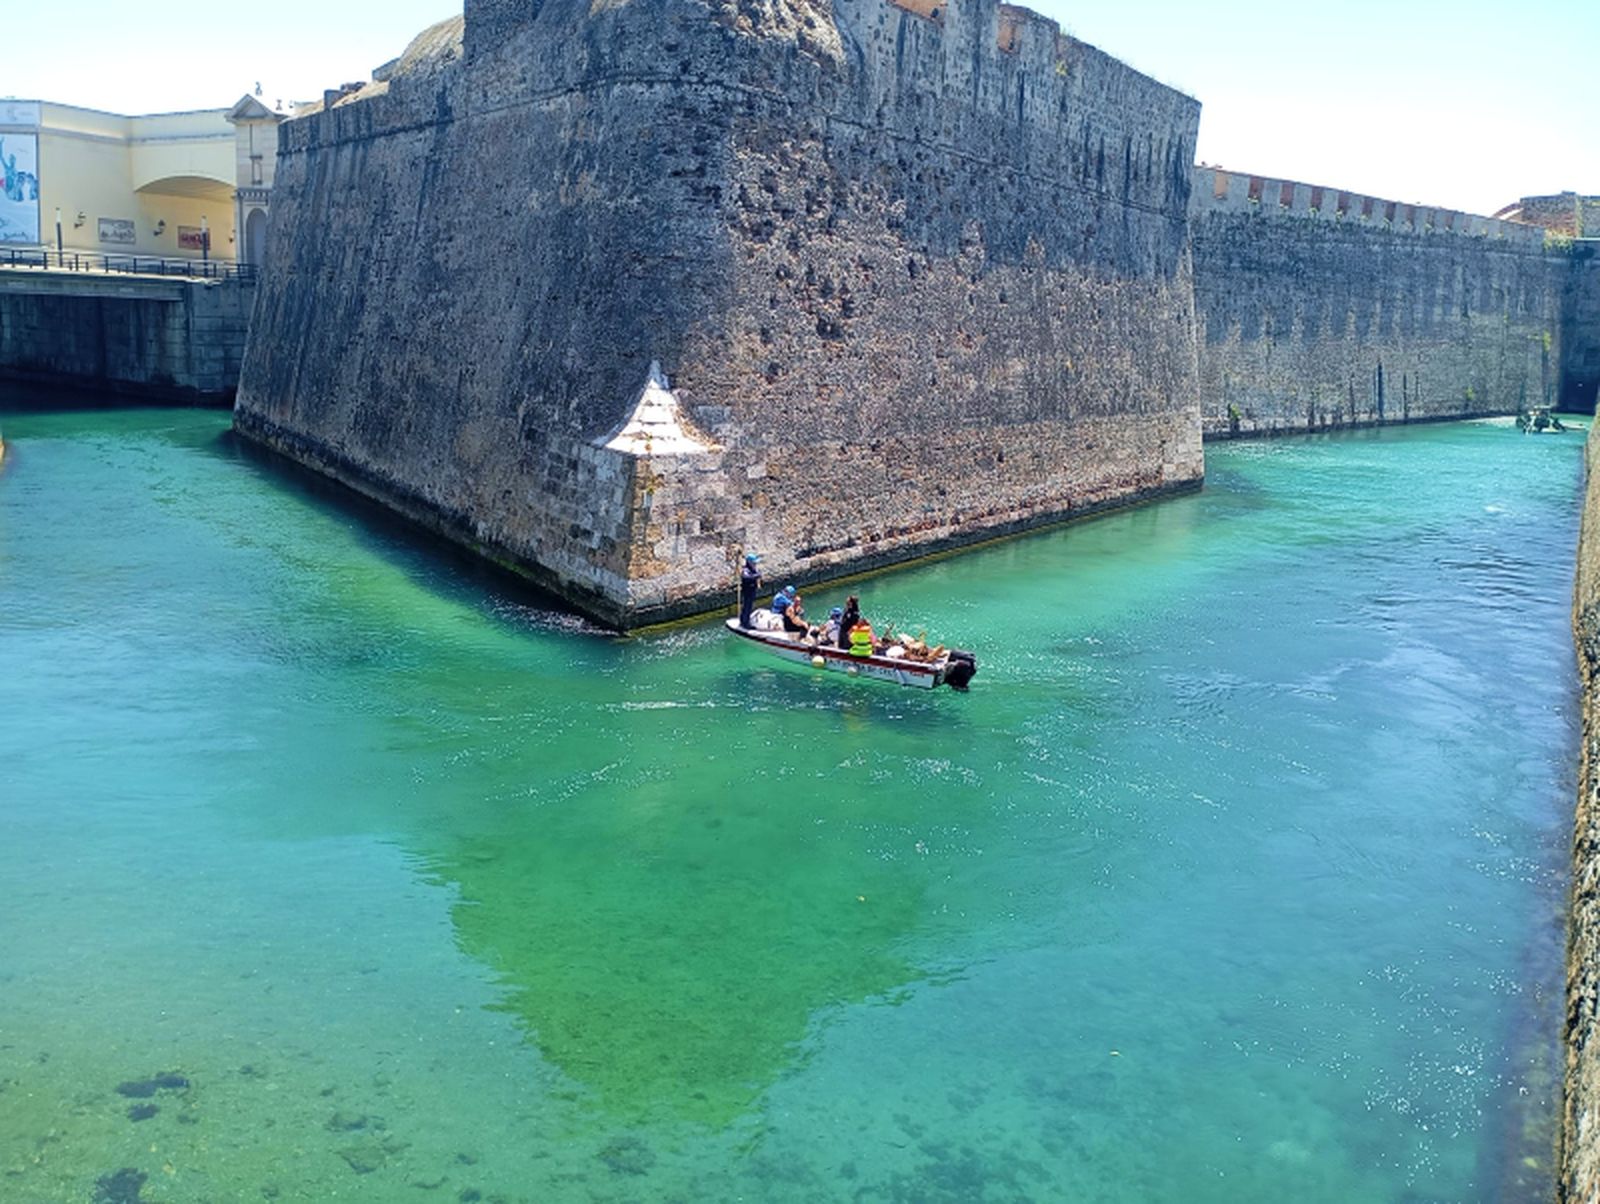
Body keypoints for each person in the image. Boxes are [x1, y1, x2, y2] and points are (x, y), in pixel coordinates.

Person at [738, 553, 762, 628]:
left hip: (752, 591)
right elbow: (746, 577)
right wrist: (756, 576)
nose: (755, 564)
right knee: (747, 607)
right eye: (754, 562)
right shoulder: (746, 570)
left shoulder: (753, 569)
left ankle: (745, 620)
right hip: (747, 592)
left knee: (749, 606)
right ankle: (745, 623)